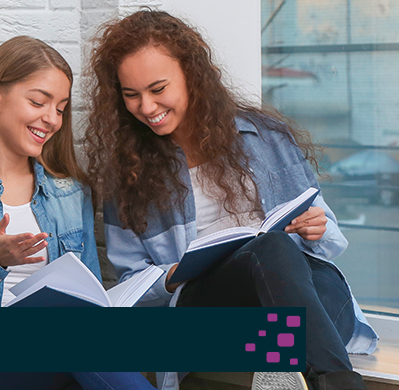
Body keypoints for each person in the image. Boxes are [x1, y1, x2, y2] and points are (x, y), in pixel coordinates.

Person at [84, 10, 377, 390]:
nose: (147, 107)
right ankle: (336, 381)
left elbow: (330, 242)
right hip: (209, 311)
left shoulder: (266, 136)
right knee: (269, 249)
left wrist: (316, 228)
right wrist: (171, 276)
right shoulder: (129, 172)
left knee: (313, 280)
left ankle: (291, 369)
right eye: (131, 95)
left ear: (192, 76)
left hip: (286, 299)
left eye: (158, 89)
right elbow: (130, 283)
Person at [0, 35, 154, 390]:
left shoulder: (70, 192)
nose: (51, 119)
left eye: (60, 108)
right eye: (39, 102)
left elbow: (88, 297)